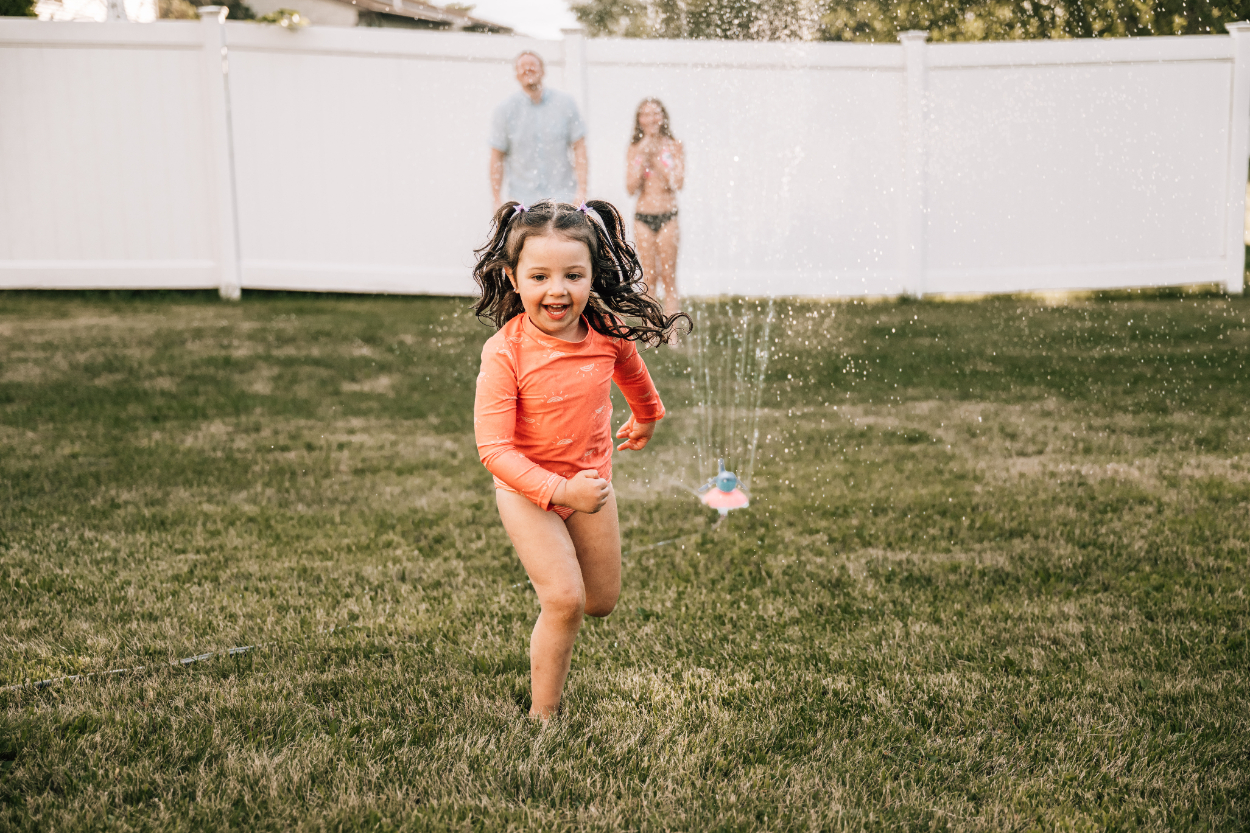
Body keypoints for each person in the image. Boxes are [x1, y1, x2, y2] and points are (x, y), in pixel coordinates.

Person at [472, 199, 687, 720]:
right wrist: (561, 493)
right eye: (540, 275)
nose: (557, 290)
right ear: (513, 276)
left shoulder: (605, 333)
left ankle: (564, 585)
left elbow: (632, 370)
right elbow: (495, 450)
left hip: (590, 485)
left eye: (573, 274)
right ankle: (542, 718)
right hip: (528, 493)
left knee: (600, 601)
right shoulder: (505, 353)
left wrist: (647, 416)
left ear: (594, 273)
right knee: (565, 600)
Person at [490, 51, 587, 210]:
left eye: (532, 65)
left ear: (543, 71)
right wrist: (496, 199)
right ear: (516, 75)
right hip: (523, 202)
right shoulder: (504, 111)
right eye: (522, 66)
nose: (527, 69)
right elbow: (496, 157)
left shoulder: (565, 104)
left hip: (563, 197)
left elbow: (580, 147)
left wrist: (582, 189)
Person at [626, 98, 685, 317]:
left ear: (662, 117)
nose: (651, 119)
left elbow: (676, 182)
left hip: (668, 216)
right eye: (645, 114)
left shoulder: (674, 146)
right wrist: (643, 156)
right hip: (643, 217)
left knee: (668, 275)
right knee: (649, 276)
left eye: (655, 113)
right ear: (639, 120)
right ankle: (652, 330)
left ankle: (672, 330)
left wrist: (656, 160)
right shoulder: (634, 149)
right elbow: (631, 187)